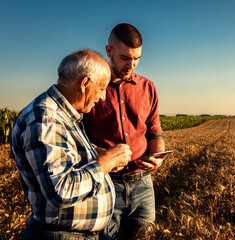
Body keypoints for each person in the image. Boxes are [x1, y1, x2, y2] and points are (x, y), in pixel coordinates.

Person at [10, 49, 133, 239]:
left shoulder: (62, 116)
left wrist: (97, 154)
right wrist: (105, 162)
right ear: (85, 83)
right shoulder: (46, 119)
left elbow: (66, 157)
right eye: (101, 88)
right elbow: (61, 190)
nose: (103, 97)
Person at [82, 23, 165, 239]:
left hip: (143, 185)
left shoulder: (148, 88)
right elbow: (75, 134)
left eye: (137, 58)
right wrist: (101, 153)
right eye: (125, 58)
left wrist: (158, 157)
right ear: (109, 51)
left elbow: (155, 131)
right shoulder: (91, 89)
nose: (132, 65)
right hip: (105, 184)